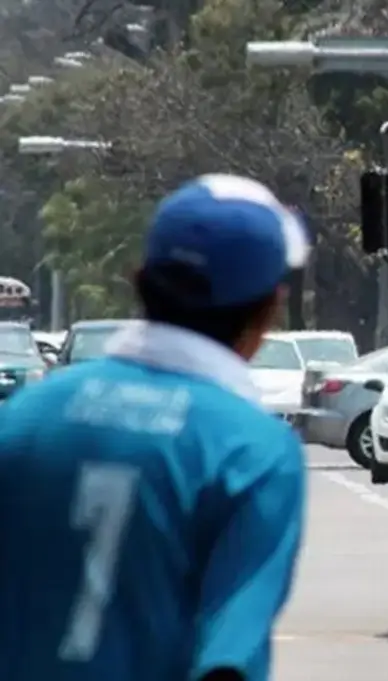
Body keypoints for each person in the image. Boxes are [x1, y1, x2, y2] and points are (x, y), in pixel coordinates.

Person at [0, 174, 309, 681]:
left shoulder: (27, 415)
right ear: (269, 307)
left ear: (139, 277)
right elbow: (229, 660)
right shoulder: (253, 451)